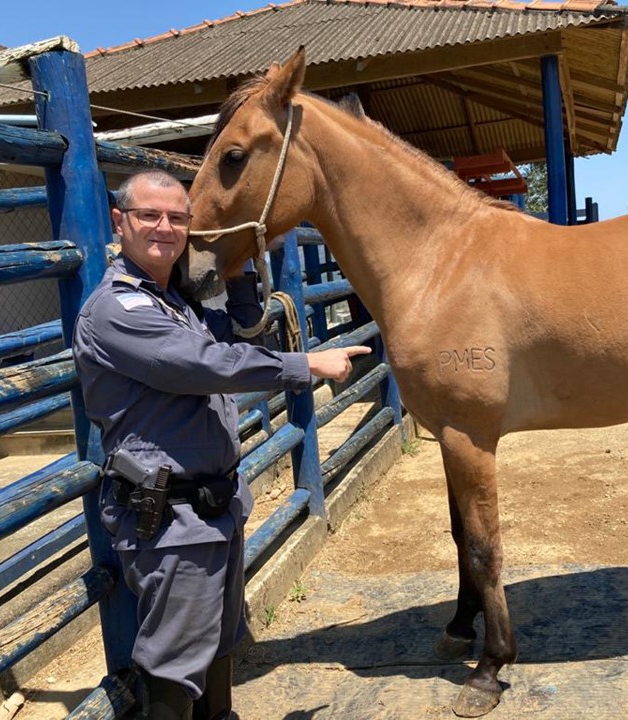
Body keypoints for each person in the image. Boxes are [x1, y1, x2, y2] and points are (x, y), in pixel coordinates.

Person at [72, 169, 369, 719]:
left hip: (213, 508)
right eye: (149, 216)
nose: (165, 228)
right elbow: (203, 363)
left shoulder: (175, 303)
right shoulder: (119, 309)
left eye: (178, 219)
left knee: (218, 643)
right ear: (120, 223)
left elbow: (244, 330)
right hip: (171, 521)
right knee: (173, 666)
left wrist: (240, 258)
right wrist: (307, 364)